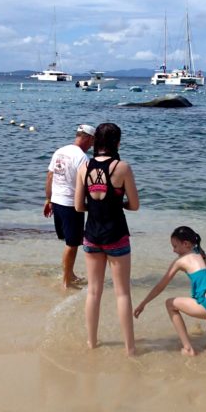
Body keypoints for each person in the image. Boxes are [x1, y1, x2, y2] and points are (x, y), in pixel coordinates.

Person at [74, 122, 140, 355]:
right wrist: (117, 202)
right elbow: (134, 205)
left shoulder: (84, 167)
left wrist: (96, 203)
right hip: (116, 235)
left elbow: (78, 206)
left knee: (93, 292)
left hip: (91, 235)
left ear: (96, 142)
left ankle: (91, 343)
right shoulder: (122, 167)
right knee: (122, 293)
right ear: (117, 143)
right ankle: (130, 348)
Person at [134, 226, 206, 356]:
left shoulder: (180, 261)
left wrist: (143, 303)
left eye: (175, 246)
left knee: (170, 304)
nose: (173, 250)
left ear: (186, 244)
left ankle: (188, 348)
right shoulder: (204, 255)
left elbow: (160, 286)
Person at [43, 124, 95, 288]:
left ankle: (69, 273)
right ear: (87, 138)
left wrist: (48, 199)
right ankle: (66, 281)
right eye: (92, 141)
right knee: (72, 244)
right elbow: (86, 184)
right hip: (70, 204)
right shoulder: (82, 158)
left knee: (69, 241)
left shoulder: (60, 151)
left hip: (57, 201)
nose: (92, 145)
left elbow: (50, 175)